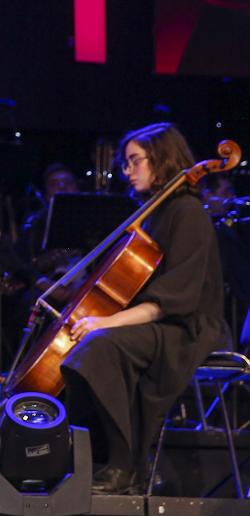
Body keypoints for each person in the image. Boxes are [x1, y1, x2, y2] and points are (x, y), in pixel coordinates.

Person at [61, 123, 230, 494]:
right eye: (126, 163)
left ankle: (126, 466)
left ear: (162, 158)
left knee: (101, 345)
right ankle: (89, 459)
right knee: (85, 344)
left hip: (189, 328)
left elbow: (173, 300)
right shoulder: (152, 213)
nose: (127, 170)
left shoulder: (187, 212)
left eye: (134, 161)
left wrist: (107, 322)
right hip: (158, 322)